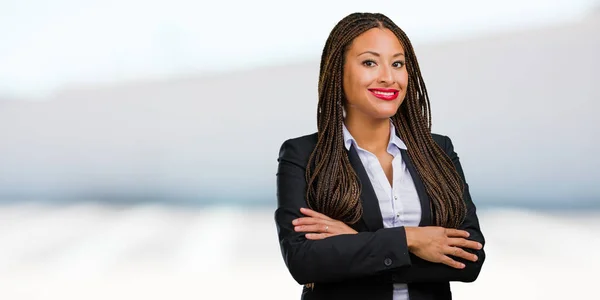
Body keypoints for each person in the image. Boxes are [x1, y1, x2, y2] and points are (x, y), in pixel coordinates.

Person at [274, 12, 485, 300]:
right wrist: (411, 239)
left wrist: (356, 243)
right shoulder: (304, 156)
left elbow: (469, 259)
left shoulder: (438, 151)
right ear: (338, 72)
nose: (388, 77)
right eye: (369, 62)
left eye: (397, 64)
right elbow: (304, 260)